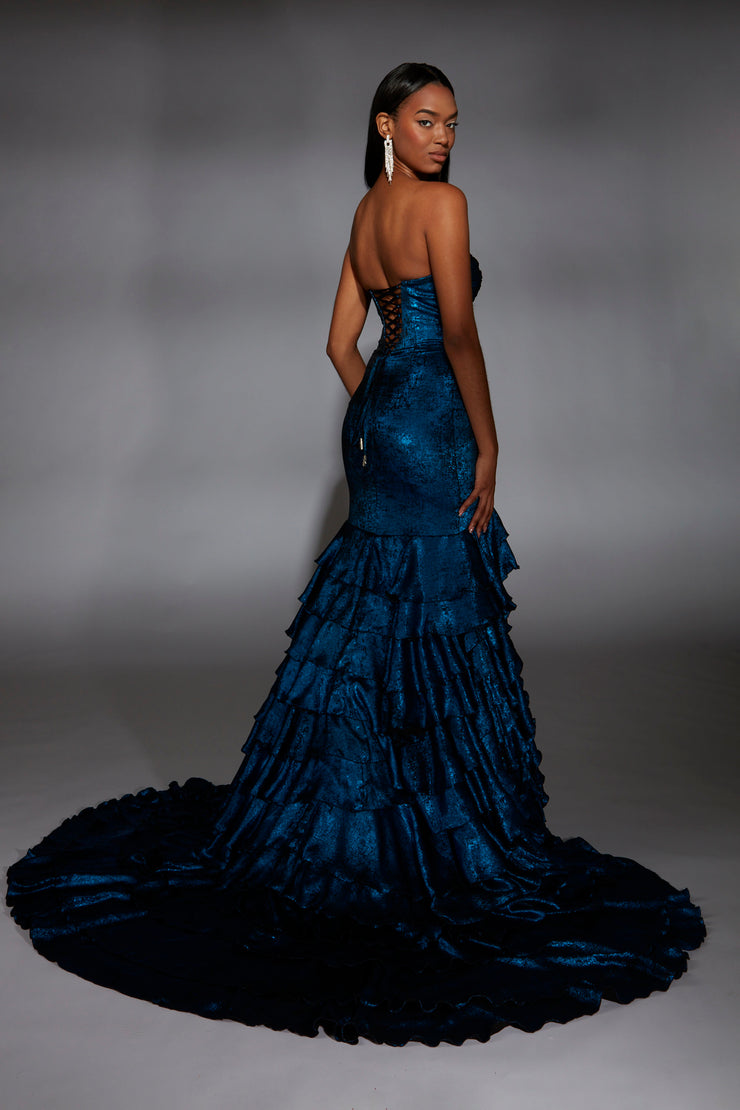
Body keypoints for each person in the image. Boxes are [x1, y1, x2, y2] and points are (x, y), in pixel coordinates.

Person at [6, 62, 705, 1047]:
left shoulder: (367, 212)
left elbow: (340, 343)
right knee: (436, 604)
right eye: (425, 120)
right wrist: (486, 442)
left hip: (376, 422)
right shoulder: (443, 207)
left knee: (376, 601)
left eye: (451, 123)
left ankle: (357, 809)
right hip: (432, 419)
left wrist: (380, 406)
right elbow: (457, 331)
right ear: (385, 124)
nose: (443, 137)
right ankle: (434, 826)